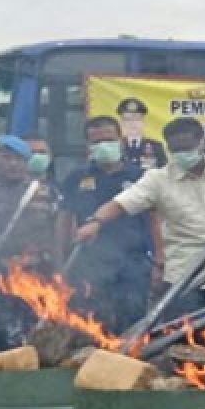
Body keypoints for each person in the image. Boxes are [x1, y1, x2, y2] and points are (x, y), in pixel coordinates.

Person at [76, 117, 205, 345]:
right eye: (176, 149)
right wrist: (95, 222)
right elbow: (121, 203)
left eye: (187, 147)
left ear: (202, 143)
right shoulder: (157, 179)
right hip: (186, 279)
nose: (182, 154)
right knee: (190, 349)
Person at [58, 116, 159, 334]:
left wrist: (159, 261)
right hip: (89, 265)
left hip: (133, 264)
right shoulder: (76, 177)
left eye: (109, 139)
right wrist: (61, 260)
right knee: (91, 327)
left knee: (132, 325)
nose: (103, 146)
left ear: (121, 141)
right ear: (88, 146)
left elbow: (154, 221)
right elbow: (65, 220)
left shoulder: (141, 176)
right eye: (96, 142)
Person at [0, 135, 60, 354]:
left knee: (37, 338)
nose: (13, 164)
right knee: (0, 337)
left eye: (19, 159)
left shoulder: (46, 192)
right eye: (6, 157)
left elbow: (58, 232)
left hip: (37, 276)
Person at [118, 97, 167, 171]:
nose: (132, 123)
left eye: (137, 119)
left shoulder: (156, 146)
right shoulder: (116, 146)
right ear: (121, 123)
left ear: (143, 122)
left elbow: (163, 171)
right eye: (127, 120)